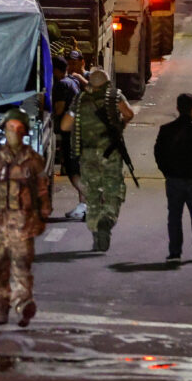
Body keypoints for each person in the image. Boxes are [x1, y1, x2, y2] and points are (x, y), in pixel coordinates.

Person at [0, 108, 51, 327]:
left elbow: (42, 189)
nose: (14, 132)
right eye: (10, 128)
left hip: (23, 223)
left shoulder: (33, 161)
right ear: (4, 130)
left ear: (25, 131)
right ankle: (1, 307)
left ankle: (23, 305)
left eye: (19, 128)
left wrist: (44, 213)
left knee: (21, 267)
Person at [61, 68, 135, 252]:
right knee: (113, 190)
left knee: (93, 193)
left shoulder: (79, 100)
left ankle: (96, 233)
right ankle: (107, 220)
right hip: (111, 154)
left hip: (88, 155)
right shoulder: (115, 97)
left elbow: (64, 125)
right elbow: (129, 114)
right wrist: (120, 126)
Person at [154, 93, 192, 261]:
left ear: (177, 108)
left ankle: (175, 251)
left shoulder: (166, 130)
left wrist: (166, 171)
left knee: (174, 215)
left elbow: (158, 153)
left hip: (173, 179)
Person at [52, 56, 85, 220]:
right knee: (78, 169)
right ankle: (83, 206)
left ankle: (90, 202)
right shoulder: (73, 81)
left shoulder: (61, 85)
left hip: (69, 133)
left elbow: (58, 110)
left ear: (55, 70)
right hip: (79, 131)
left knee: (73, 172)